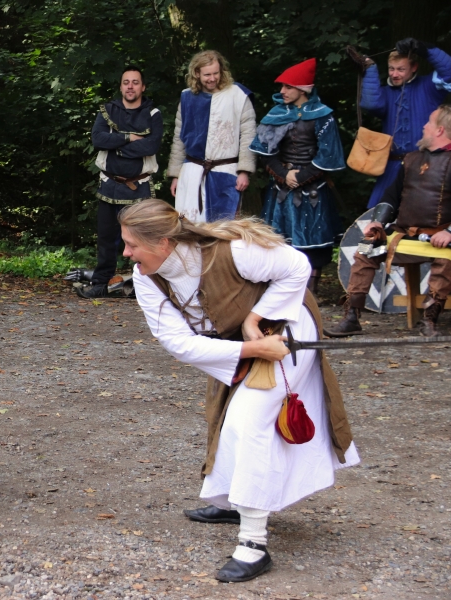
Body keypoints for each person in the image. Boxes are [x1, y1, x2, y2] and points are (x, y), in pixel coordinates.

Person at [121, 199, 359, 582]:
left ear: (162, 242)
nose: (126, 253)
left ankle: (253, 545)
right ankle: (234, 502)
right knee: (225, 418)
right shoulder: (145, 277)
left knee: (248, 421)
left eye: (132, 244)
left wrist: (254, 319)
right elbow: (179, 343)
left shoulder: (233, 252)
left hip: (285, 329)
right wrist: (251, 349)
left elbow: (298, 267)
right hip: (241, 345)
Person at [326, 105, 451, 338]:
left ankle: (429, 320)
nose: (424, 126)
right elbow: (391, 197)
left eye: (429, 123)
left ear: (440, 130)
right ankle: (351, 317)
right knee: (366, 248)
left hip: (438, 239)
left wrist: (449, 232)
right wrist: (378, 222)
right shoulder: (411, 159)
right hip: (402, 235)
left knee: (447, 259)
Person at [251, 58, 345, 296]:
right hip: (281, 188)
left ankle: (309, 296)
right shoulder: (276, 114)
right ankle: (280, 292)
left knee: (313, 244)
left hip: (313, 189)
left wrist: (301, 176)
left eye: (288, 86)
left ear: (303, 89)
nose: (282, 91)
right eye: (282, 86)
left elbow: (328, 156)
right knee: (277, 243)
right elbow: (265, 152)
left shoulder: (323, 116)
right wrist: (284, 174)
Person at [78, 66, 163, 299]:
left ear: (143, 87)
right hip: (110, 184)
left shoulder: (153, 113)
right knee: (106, 238)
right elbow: (98, 139)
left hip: (139, 186)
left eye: (135, 82)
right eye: (126, 82)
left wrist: (117, 147)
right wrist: (128, 137)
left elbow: (151, 146)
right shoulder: (107, 111)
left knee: (142, 239)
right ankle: (101, 284)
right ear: (121, 86)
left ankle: (143, 287)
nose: (130, 86)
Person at [353, 38, 451, 210]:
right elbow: (371, 104)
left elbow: (449, 72)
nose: (394, 74)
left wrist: (426, 49)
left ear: (414, 67)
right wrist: (370, 69)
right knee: (377, 214)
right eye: (391, 69)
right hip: (392, 166)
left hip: (425, 164)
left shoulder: (430, 86)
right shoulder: (384, 93)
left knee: (423, 213)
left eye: (401, 69)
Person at [168, 50, 256, 222]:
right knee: (189, 227)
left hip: (226, 171)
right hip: (192, 173)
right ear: (197, 73)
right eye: (207, 74)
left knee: (224, 228)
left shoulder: (238, 95)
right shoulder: (187, 97)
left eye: (216, 73)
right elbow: (179, 138)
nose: (212, 78)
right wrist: (176, 175)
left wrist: (244, 171)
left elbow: (249, 135)